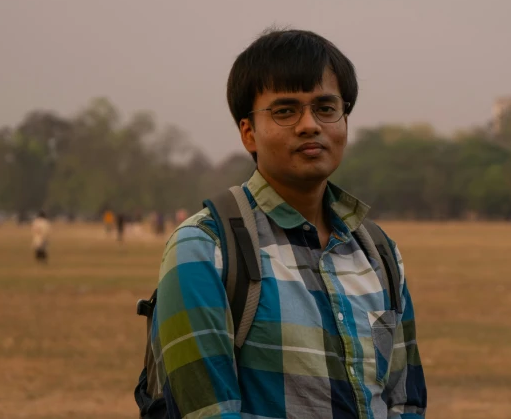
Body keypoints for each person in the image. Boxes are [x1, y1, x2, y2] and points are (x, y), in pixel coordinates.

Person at [150, 29, 427, 418]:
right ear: (248, 132)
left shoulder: (379, 253)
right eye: (285, 111)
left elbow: (406, 402)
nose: (309, 125)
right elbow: (208, 413)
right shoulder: (204, 248)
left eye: (326, 108)